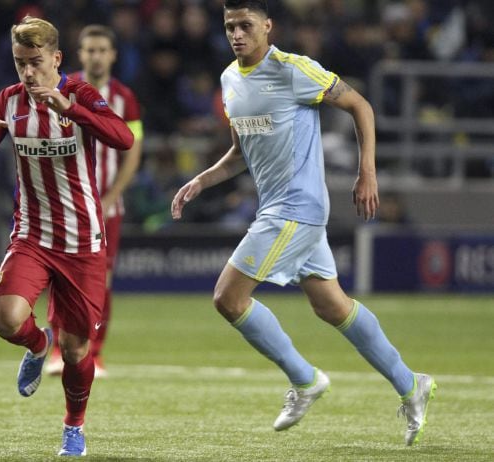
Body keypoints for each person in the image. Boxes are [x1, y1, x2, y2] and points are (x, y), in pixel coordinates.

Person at [170, 0, 436, 446]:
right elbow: (240, 152)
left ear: (267, 26)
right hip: (276, 208)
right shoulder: (230, 79)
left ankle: (305, 378)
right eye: (230, 26)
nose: (237, 34)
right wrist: (202, 179)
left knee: (228, 298)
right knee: (332, 306)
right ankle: (412, 384)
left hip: (297, 208)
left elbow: (361, 106)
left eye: (246, 25)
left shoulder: (294, 70)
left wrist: (367, 170)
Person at [0, 16, 133, 457]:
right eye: (20, 62)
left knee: (78, 350)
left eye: (36, 62)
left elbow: (122, 138)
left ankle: (73, 426)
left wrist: (69, 108)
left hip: (83, 241)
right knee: (6, 317)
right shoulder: (9, 100)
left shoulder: (80, 94)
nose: (27, 72)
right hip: (33, 235)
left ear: (57, 59)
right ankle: (38, 343)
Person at [45, 24, 144, 378]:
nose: (96, 56)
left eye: (102, 49)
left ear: (113, 54)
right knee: (60, 276)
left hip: (106, 207)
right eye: (90, 49)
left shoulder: (124, 98)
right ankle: (58, 350)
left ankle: (94, 354)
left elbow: (133, 151)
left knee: (101, 280)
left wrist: (112, 196)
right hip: (66, 204)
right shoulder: (63, 88)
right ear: (80, 53)